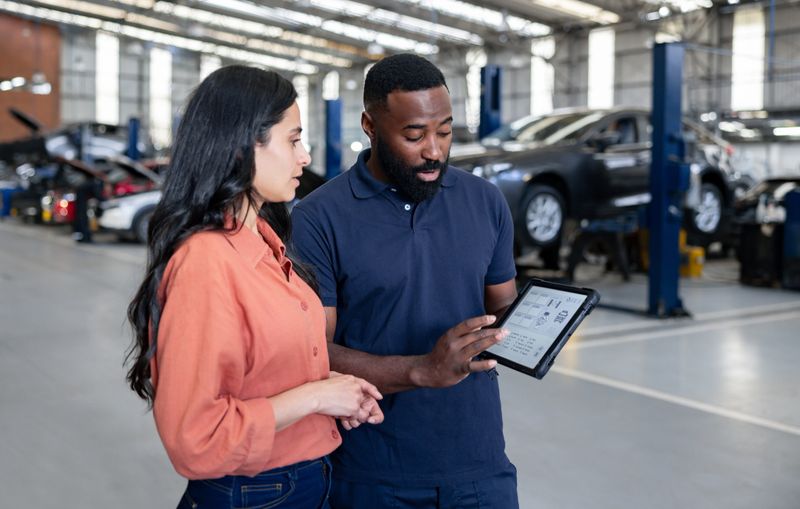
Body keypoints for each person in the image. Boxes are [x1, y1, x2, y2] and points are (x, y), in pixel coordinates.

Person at [125, 65, 383, 509]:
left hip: (302, 480)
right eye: (293, 139)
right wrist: (316, 395)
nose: (304, 157)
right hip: (256, 493)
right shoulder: (206, 262)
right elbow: (195, 438)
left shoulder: (263, 241)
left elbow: (259, 371)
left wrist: (331, 387)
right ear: (245, 145)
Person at [291, 54, 520, 508]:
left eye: (445, 130)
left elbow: (504, 310)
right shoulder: (319, 218)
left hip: (480, 466)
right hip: (371, 472)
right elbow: (312, 352)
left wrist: (537, 328)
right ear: (370, 126)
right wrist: (422, 369)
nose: (433, 149)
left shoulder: (486, 202)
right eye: (414, 135)